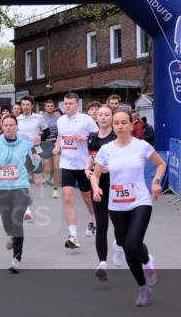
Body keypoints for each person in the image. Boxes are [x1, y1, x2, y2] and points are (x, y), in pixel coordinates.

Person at [91, 107, 166, 306]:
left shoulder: (141, 146)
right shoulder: (106, 150)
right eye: (116, 123)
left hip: (140, 200)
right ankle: (143, 288)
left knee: (133, 244)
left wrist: (156, 182)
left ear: (132, 125)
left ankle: (148, 261)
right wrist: (96, 188)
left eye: (124, 122)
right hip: (116, 204)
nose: (120, 126)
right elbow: (95, 174)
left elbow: (161, 164)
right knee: (127, 247)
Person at [0, 114, 41, 272]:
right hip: (2, 187)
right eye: (6, 125)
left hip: (20, 186)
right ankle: (9, 233)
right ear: (2, 127)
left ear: (17, 127)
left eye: (11, 125)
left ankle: (16, 258)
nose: (9, 127)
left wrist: (36, 160)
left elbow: (35, 166)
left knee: (17, 220)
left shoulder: (25, 144)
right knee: (7, 221)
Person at [54, 92, 98, 249]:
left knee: (86, 197)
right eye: (65, 103)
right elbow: (61, 135)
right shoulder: (60, 120)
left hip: (84, 164)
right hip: (67, 164)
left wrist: (84, 138)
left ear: (77, 104)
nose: (67, 106)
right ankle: (73, 235)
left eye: (70, 103)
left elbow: (98, 137)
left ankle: (93, 219)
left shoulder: (86, 120)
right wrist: (57, 146)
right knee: (67, 198)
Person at [86, 105, 123, 279]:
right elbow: (90, 157)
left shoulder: (116, 138)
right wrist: (87, 169)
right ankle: (102, 263)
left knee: (119, 224)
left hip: (116, 185)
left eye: (106, 115)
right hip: (98, 184)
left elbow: (124, 160)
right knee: (101, 225)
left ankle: (120, 244)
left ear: (112, 117)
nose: (102, 118)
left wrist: (110, 168)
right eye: (100, 115)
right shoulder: (92, 137)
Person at [15, 96, 47, 222]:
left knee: (38, 181)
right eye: (23, 104)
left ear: (32, 105)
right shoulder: (17, 119)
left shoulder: (38, 118)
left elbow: (47, 131)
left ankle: (28, 197)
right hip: (22, 152)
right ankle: (27, 208)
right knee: (24, 180)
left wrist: (40, 136)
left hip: (35, 150)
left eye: (28, 104)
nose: (25, 107)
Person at [40, 99, 61, 198]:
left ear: (54, 107)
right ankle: (47, 175)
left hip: (56, 141)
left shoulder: (58, 117)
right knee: (47, 167)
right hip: (45, 143)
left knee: (56, 167)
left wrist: (58, 142)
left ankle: (55, 189)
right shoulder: (41, 117)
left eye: (51, 106)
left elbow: (62, 130)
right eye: (48, 106)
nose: (50, 107)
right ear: (45, 107)